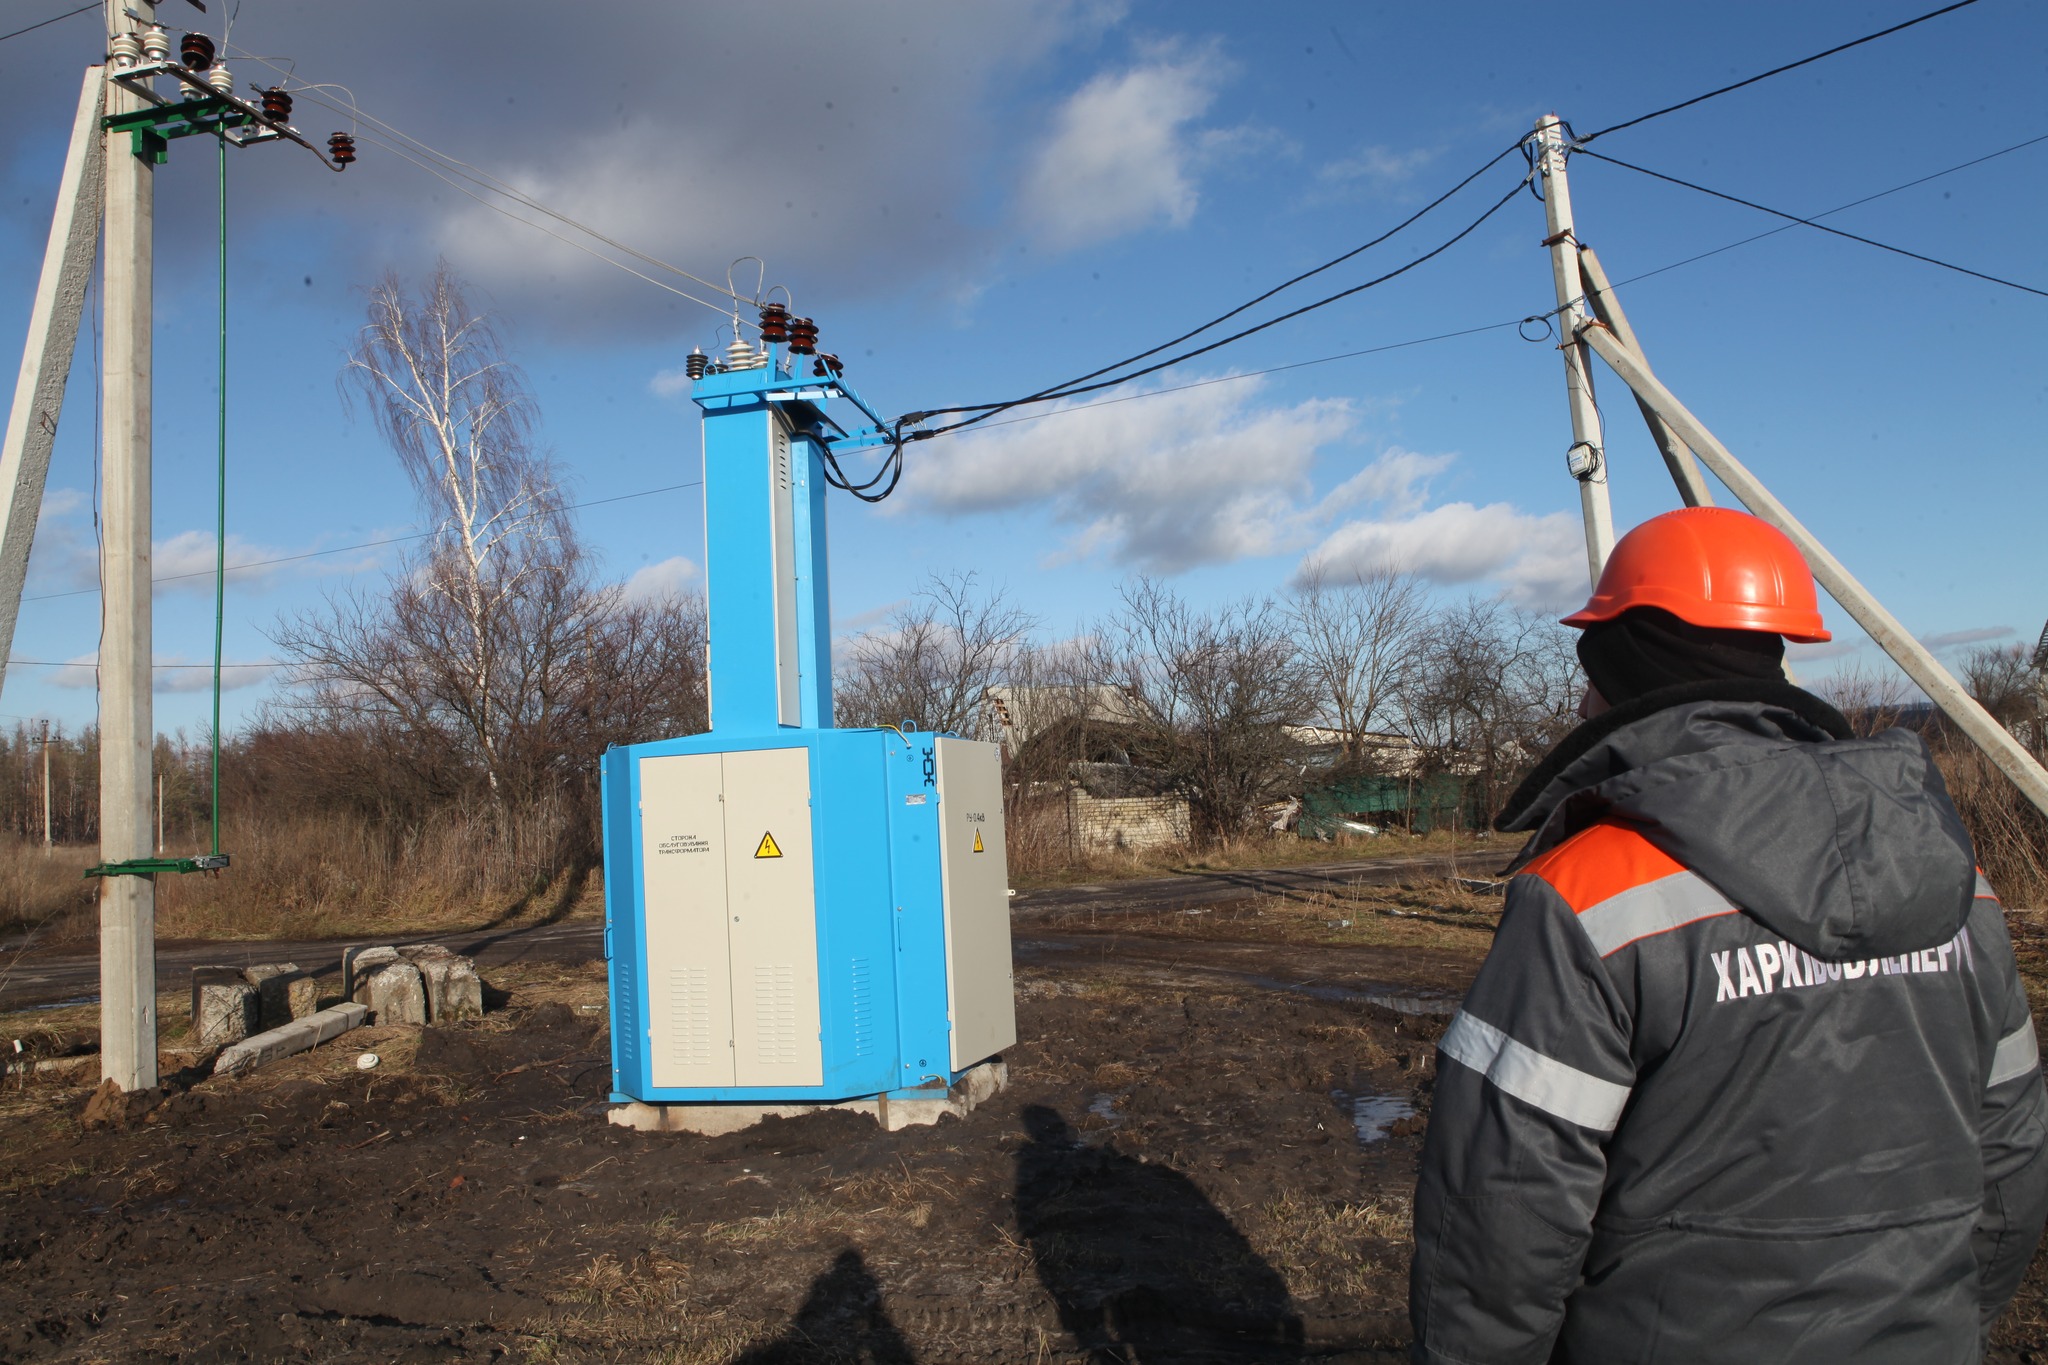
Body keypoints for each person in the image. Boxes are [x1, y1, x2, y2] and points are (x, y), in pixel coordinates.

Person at [1408, 507, 2048, 1364]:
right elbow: (2011, 1161)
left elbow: (1500, 1222)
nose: (1579, 698)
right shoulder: (1956, 878)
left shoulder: (1587, 892)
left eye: (1589, 669)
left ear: (1627, 667)